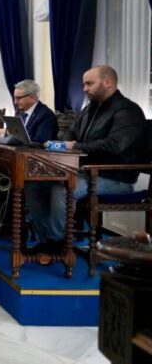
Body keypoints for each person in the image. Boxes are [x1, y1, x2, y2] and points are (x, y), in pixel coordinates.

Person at [24, 66, 147, 253]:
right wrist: (65, 143)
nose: (84, 89)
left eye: (89, 83)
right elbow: (69, 133)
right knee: (33, 185)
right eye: (84, 84)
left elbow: (114, 146)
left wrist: (75, 146)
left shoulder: (128, 110)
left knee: (63, 189)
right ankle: (47, 240)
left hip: (115, 177)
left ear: (108, 82)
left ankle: (57, 243)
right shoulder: (90, 109)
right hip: (84, 172)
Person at [0, 79, 58, 144]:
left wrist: (7, 133)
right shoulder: (23, 112)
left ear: (33, 98)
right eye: (15, 98)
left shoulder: (46, 115)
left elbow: (41, 141)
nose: (15, 102)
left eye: (18, 98)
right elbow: (20, 133)